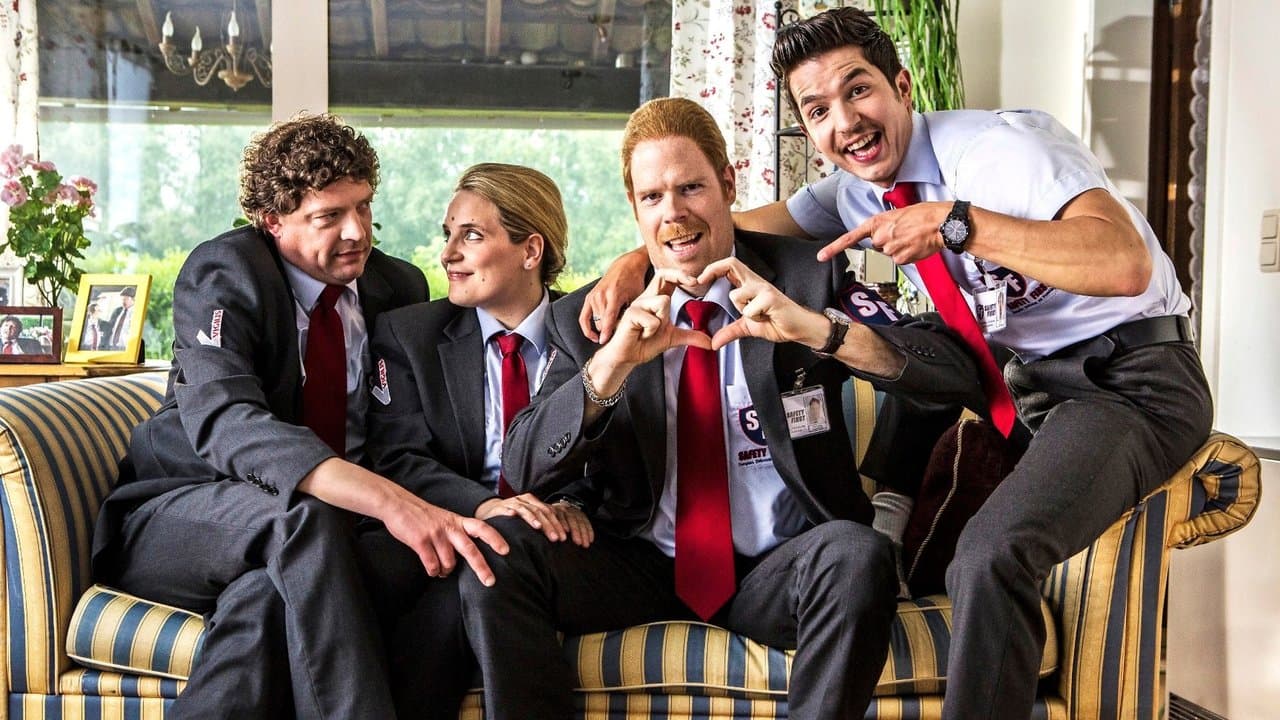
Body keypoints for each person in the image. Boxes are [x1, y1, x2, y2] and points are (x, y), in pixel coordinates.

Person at [583, 8, 1214, 718]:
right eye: (819, 110)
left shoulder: (1000, 150)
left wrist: (957, 222)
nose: (845, 121)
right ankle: (890, 522)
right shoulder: (855, 190)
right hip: (1033, 383)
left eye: (859, 90)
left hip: (1129, 377)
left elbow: (1125, 262)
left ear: (903, 87)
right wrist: (637, 258)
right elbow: (726, 224)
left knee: (990, 555)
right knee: (908, 352)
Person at [459, 97, 987, 720]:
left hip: (777, 566)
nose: (674, 213)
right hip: (639, 562)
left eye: (691, 188)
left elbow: (952, 372)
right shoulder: (595, 317)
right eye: (652, 197)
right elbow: (524, 463)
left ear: (728, 185)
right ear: (634, 207)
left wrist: (821, 331)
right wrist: (612, 365)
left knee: (858, 554)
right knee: (498, 552)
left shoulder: (808, 278)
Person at [90, 113, 508, 720]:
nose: (356, 231)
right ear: (273, 220)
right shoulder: (224, 273)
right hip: (184, 512)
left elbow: (401, 436)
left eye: (363, 207)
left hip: (323, 539)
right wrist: (390, 503)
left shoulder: (397, 286)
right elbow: (227, 420)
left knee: (270, 598)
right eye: (328, 216)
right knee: (303, 519)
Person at [364, 163, 594, 714]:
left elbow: (622, 447)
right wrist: (484, 507)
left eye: (470, 235)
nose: (447, 254)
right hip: (451, 529)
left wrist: (575, 503)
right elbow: (398, 457)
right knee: (460, 586)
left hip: (553, 546)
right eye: (448, 234)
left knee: (484, 578)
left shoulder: (591, 331)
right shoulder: (409, 334)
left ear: (530, 250)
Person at [106, 286, 135, 350]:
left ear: (133, 299)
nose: (123, 302)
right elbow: (110, 327)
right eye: (122, 299)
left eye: (126, 299)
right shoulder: (117, 311)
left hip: (125, 347)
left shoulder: (136, 313)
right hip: (111, 346)